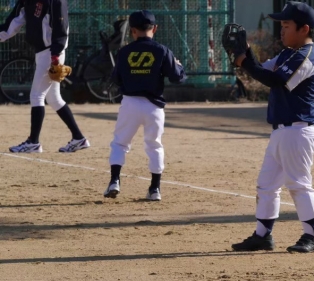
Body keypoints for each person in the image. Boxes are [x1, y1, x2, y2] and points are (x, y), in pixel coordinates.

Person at [229, 1, 314, 253]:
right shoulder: (287, 54)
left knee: (299, 184)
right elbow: (262, 70)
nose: (281, 30)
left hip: (298, 131)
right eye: (281, 25)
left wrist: (244, 62)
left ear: (304, 29)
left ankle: (313, 236)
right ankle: (262, 235)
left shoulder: (305, 57)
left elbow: (275, 80)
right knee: (267, 184)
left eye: (286, 25)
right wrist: (247, 54)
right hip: (282, 131)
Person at [103, 10, 187, 201]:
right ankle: (155, 189)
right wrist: (178, 66)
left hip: (130, 103)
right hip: (154, 106)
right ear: (154, 29)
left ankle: (114, 181)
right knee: (154, 145)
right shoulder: (162, 50)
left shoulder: (124, 52)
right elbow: (177, 78)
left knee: (120, 143)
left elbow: (115, 79)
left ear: (132, 30)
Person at [0, 0, 90, 153]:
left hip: (51, 51)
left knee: (36, 95)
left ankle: (33, 142)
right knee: (53, 98)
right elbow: (13, 23)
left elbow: (61, 28)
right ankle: (78, 138)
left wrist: (55, 55)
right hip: (42, 51)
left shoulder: (56, 1)